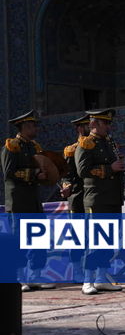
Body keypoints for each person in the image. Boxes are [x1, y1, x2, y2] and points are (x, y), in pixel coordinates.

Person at [1, 110, 54, 292]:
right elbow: (8, 173)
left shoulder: (34, 147)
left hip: (33, 200)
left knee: (38, 237)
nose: (35, 128)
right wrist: (34, 174)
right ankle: (20, 276)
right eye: (31, 126)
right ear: (23, 127)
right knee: (20, 239)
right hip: (19, 201)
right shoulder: (11, 146)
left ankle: (35, 276)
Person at [75, 109, 125, 295]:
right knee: (95, 241)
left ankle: (101, 278)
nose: (109, 127)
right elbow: (83, 170)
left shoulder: (108, 143)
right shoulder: (86, 143)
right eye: (105, 123)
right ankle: (87, 280)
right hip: (97, 199)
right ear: (94, 124)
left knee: (108, 240)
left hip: (112, 198)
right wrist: (110, 168)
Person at [61, 113, 90, 281]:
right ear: (80, 128)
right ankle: (77, 268)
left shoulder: (99, 145)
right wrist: (66, 186)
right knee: (78, 236)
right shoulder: (71, 150)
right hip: (78, 198)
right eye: (88, 125)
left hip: (95, 197)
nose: (91, 127)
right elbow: (66, 175)